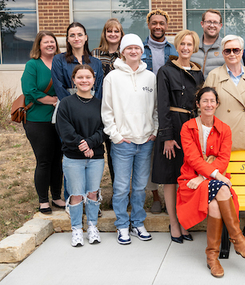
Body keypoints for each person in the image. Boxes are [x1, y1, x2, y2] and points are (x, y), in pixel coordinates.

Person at [176, 87, 245, 278]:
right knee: (222, 190)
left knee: (216, 202)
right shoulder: (187, 128)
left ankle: (212, 256)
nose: (209, 105)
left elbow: (223, 159)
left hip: (207, 180)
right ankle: (237, 239)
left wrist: (205, 176)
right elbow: (192, 158)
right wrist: (210, 175)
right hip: (191, 181)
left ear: (217, 104)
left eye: (212, 101)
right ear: (198, 104)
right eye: (204, 101)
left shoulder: (224, 129)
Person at [204, 35, 245, 242]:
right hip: (222, 140)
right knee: (225, 183)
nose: (232, 54)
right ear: (222, 53)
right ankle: (227, 227)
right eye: (227, 51)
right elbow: (206, 107)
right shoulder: (214, 75)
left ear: (242, 52)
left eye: (236, 50)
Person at [102, 34, 158, 245]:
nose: (133, 51)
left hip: (145, 141)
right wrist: (116, 136)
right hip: (123, 142)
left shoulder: (150, 77)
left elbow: (155, 108)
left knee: (140, 186)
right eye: (129, 48)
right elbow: (107, 111)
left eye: (137, 48)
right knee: (121, 187)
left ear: (142, 52)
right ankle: (122, 225)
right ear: (123, 52)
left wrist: (155, 130)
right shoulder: (112, 78)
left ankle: (137, 223)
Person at [151, 30, 204, 243]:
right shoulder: (165, 71)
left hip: (191, 128)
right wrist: (167, 136)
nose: (185, 48)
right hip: (172, 127)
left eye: (189, 44)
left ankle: (184, 221)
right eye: (182, 44)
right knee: (171, 178)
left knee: (187, 178)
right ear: (177, 46)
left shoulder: (199, 74)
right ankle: (174, 222)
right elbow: (162, 105)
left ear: (194, 47)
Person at [55, 65, 104, 247]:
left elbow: (104, 129)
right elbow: (65, 130)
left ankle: (92, 227)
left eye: (88, 77)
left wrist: (91, 144)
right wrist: (84, 146)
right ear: (74, 80)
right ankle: (76, 228)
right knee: (76, 194)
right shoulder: (66, 103)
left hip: (96, 157)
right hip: (73, 158)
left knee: (92, 193)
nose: (84, 81)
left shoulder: (100, 104)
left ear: (94, 80)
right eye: (80, 77)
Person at [21, 31, 64, 214]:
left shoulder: (61, 62)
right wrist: (53, 100)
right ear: (39, 45)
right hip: (38, 120)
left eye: (52, 42)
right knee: (44, 160)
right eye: (45, 42)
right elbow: (29, 90)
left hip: (60, 120)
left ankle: (56, 197)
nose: (49, 45)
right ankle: (43, 200)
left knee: (58, 161)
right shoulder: (33, 65)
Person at [142, 9, 178, 213]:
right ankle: (155, 196)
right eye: (154, 23)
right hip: (146, 103)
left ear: (166, 25)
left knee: (170, 148)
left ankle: (172, 195)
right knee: (151, 151)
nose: (158, 26)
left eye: (161, 23)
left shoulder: (173, 50)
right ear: (149, 25)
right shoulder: (140, 48)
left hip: (168, 104)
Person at [92, 18, 125, 184]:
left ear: (121, 34)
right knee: (96, 152)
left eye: (116, 31)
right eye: (109, 31)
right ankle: (93, 192)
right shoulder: (95, 54)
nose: (113, 34)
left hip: (118, 110)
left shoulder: (126, 54)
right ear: (104, 34)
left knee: (115, 153)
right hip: (97, 108)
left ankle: (118, 191)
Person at [51, 22, 104, 101]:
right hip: (67, 105)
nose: (76, 38)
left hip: (92, 105)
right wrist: (73, 105)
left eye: (80, 35)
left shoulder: (96, 62)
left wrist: (93, 105)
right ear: (68, 39)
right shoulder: (59, 60)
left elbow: (99, 89)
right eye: (72, 35)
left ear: (85, 37)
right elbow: (59, 87)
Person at [190, 9, 225, 77]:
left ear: (220, 26)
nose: (212, 25)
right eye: (208, 22)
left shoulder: (227, 48)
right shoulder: (192, 46)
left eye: (215, 22)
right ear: (202, 24)